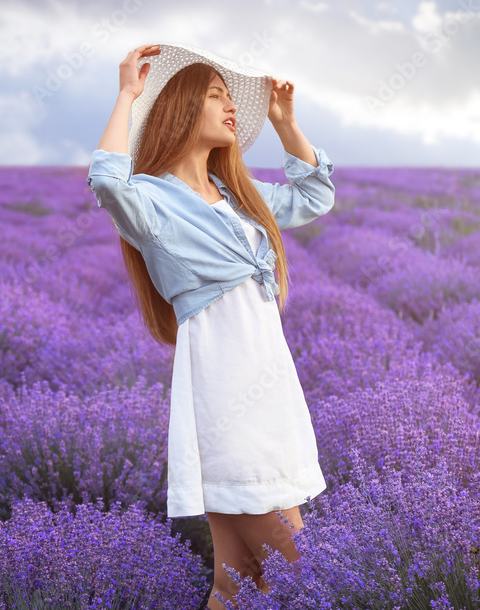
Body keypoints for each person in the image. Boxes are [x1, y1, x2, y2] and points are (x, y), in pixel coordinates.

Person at [86, 43, 336, 608]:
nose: (230, 108)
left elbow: (316, 195)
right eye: (216, 96)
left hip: (271, 389)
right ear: (180, 110)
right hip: (227, 395)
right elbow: (107, 182)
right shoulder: (152, 202)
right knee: (301, 575)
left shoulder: (241, 198)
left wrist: (285, 124)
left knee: (239, 580)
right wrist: (128, 93)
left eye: (230, 97)